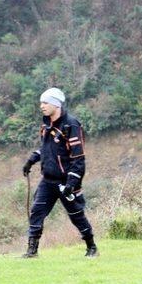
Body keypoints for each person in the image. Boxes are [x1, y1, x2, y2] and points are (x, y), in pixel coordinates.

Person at [21, 87, 98, 258]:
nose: (41, 106)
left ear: (56, 104)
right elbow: (46, 149)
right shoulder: (46, 124)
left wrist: (71, 184)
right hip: (47, 181)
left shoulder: (71, 124)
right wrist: (31, 160)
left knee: (77, 215)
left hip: (66, 182)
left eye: (45, 102)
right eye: (41, 102)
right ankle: (32, 251)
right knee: (36, 212)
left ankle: (91, 247)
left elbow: (78, 159)